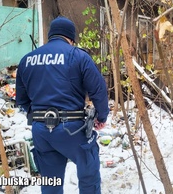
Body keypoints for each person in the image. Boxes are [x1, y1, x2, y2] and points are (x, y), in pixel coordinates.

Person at [16, 16, 109, 194]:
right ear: (71, 39)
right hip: (72, 130)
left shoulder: (27, 60)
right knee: (88, 174)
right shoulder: (78, 56)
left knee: (51, 183)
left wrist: (38, 116)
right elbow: (98, 91)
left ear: (50, 35)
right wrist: (101, 116)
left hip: (41, 132)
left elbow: (21, 99)